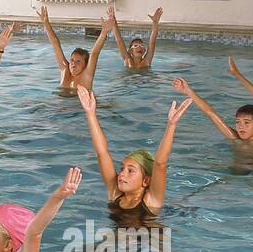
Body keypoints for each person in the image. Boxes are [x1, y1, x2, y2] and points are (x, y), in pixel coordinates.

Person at [78, 87, 191, 220]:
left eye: (130, 171)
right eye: (122, 169)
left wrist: (171, 125)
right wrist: (90, 114)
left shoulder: (151, 201)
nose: (121, 174)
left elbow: (160, 164)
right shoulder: (115, 194)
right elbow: (102, 153)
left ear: (145, 180)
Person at [35, 5, 111, 91]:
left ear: (86, 65)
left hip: (78, 104)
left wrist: (104, 32)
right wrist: (46, 23)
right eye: (72, 60)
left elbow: (94, 53)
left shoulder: (87, 75)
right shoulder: (65, 70)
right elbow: (55, 44)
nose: (73, 64)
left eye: (78, 61)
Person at [109, 6, 164, 71]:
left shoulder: (147, 61)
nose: (139, 47)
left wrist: (155, 22)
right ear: (130, 51)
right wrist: (114, 22)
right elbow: (119, 40)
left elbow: (152, 42)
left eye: (142, 46)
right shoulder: (127, 60)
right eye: (135, 46)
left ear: (144, 51)